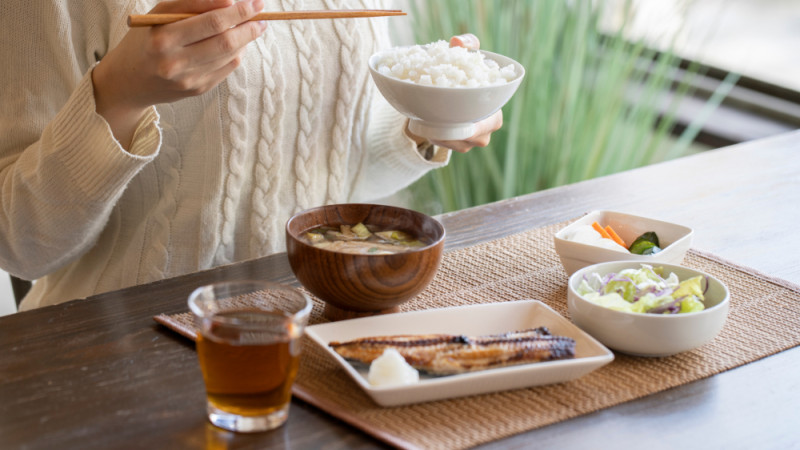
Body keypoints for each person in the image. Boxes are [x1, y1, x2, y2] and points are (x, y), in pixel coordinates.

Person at [0, 0, 503, 311]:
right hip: (111, 355)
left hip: (310, 336)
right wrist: (118, 94)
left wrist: (422, 125)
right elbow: (20, 245)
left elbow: (323, 163)